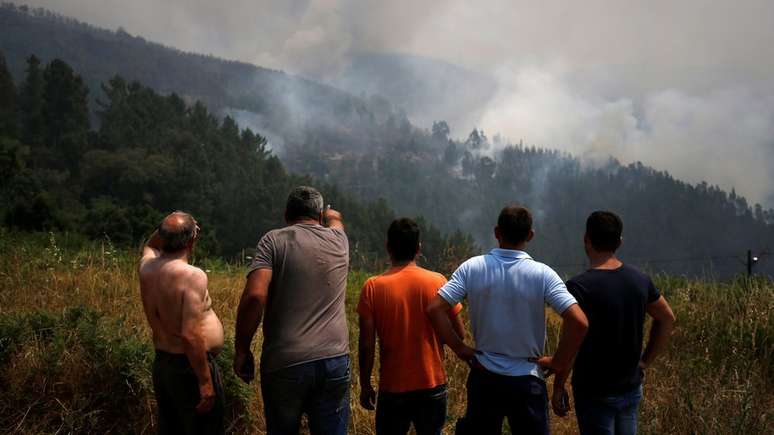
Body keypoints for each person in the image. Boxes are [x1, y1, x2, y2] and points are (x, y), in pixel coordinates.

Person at [427, 205, 589, 435]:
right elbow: (579, 322)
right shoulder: (543, 274)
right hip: (527, 379)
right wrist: (558, 362)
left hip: (484, 376)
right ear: (530, 235)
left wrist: (460, 348)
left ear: (496, 232)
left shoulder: (473, 267)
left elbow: (434, 309)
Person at [233, 186, 350, 435]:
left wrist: (242, 349)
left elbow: (255, 296)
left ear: (286, 214)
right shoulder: (339, 240)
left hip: (286, 362)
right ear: (319, 216)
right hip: (334, 359)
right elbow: (337, 219)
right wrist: (330, 214)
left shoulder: (273, 240)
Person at [554, 211, 675, 435]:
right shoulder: (639, 280)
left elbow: (572, 341)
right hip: (630, 388)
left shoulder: (579, 287)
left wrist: (559, 384)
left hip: (593, 391)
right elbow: (667, 318)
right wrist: (645, 362)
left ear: (586, 239)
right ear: (619, 242)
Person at [357, 218, 466, 435]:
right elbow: (459, 333)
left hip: (392, 386)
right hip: (432, 382)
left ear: (388, 247)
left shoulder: (372, 286)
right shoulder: (438, 282)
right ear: (418, 249)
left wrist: (366, 384)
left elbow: (366, 344)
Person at [139, 211, 225, 435]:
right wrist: (205, 382)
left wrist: (166, 227)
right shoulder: (192, 276)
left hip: (163, 363)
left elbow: (150, 244)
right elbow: (190, 334)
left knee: (172, 428)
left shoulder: (146, 267)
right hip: (190, 367)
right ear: (192, 240)